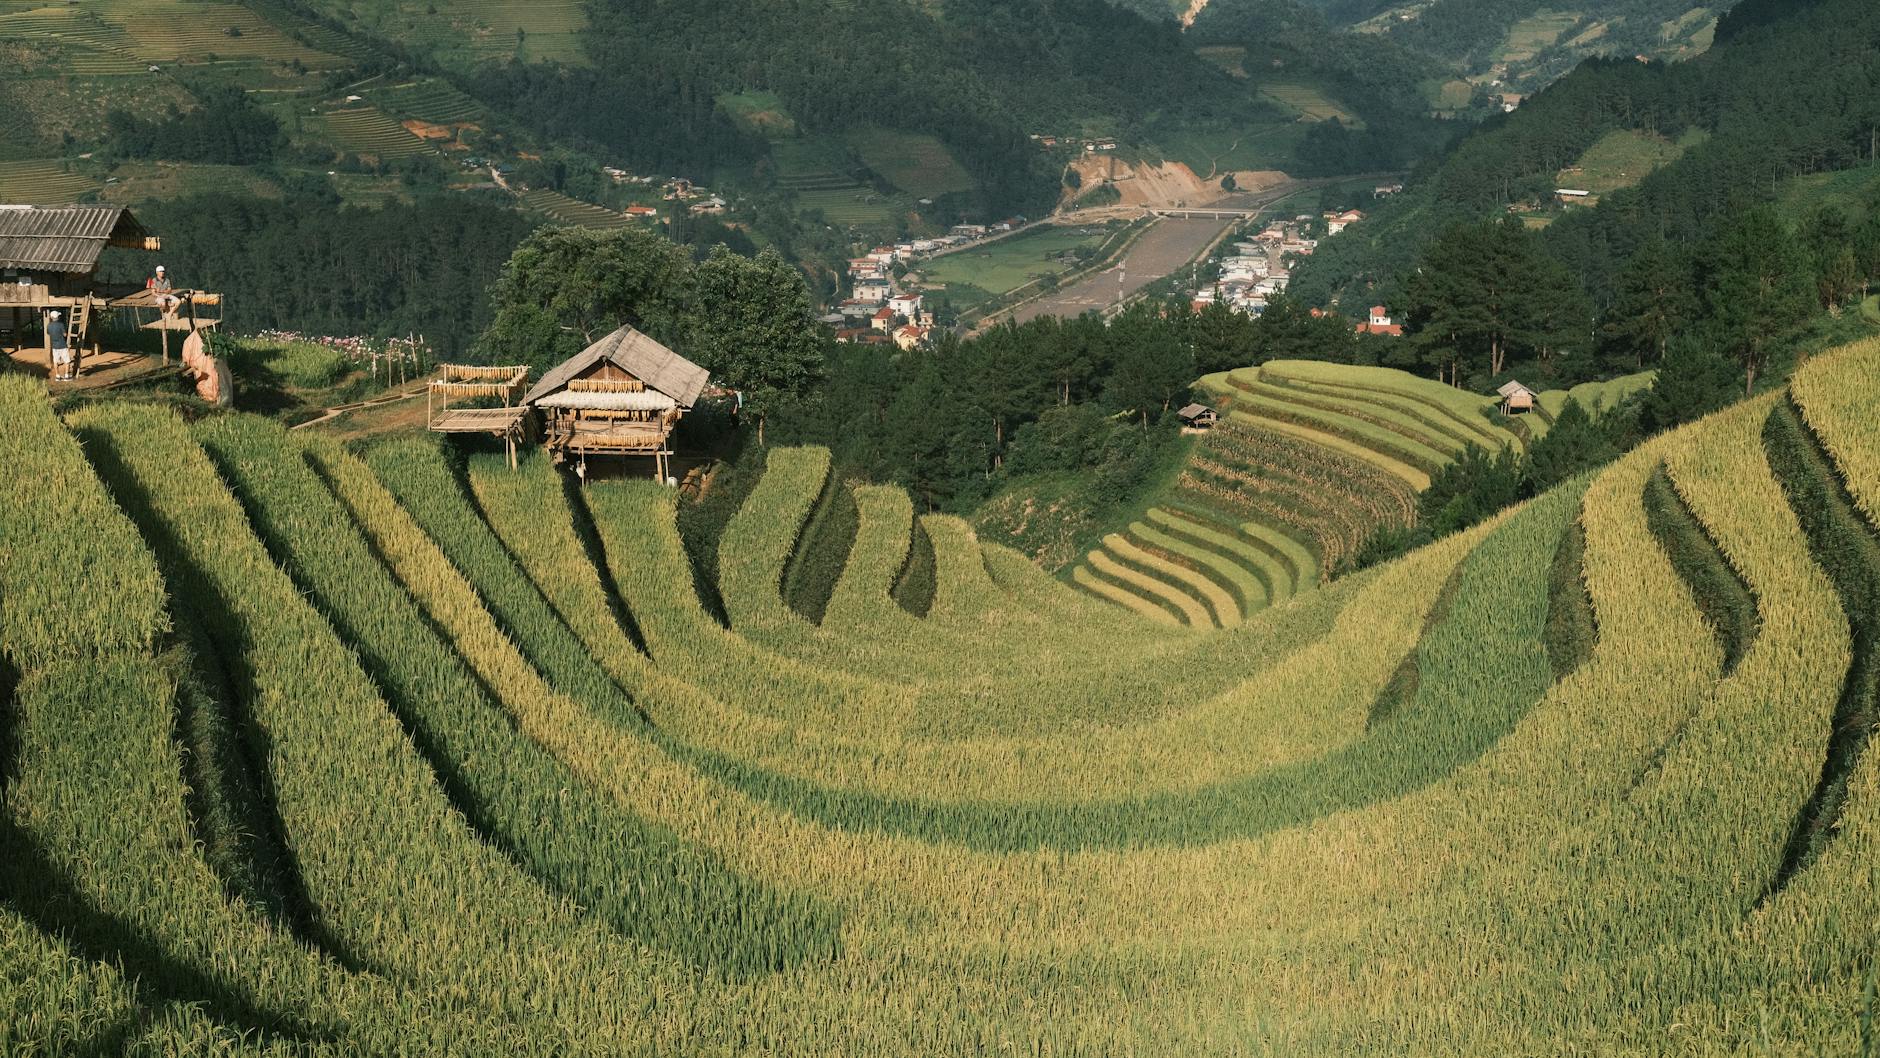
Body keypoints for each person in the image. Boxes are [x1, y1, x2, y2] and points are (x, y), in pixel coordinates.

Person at [47, 309, 71, 381]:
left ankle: (57, 376)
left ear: (51, 317)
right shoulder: (60, 324)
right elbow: (64, 334)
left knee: (55, 361)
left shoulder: (49, 325)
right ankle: (66, 376)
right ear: (57, 317)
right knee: (67, 361)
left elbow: (48, 333)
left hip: (54, 346)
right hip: (62, 345)